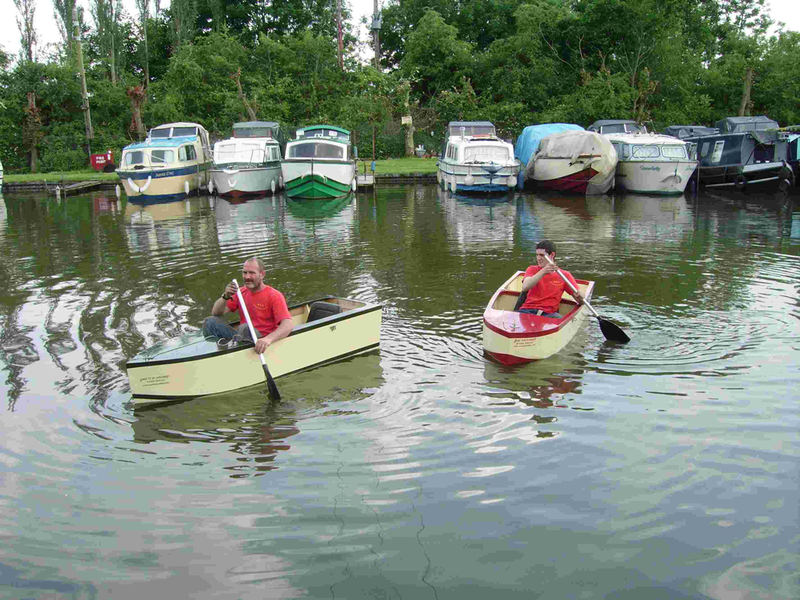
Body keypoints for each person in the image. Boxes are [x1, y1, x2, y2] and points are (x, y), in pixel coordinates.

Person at [202, 257, 293, 353]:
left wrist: (267, 339)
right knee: (210, 322)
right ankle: (224, 350)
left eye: (252, 273)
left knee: (245, 327)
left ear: (262, 274)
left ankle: (236, 351)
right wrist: (225, 296)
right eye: (245, 273)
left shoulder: (274, 295)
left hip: (261, 339)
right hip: (242, 336)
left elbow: (288, 325)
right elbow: (216, 313)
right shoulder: (240, 292)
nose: (247, 277)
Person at [518, 240, 584, 318]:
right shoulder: (532, 269)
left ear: (552, 255)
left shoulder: (564, 275)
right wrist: (543, 271)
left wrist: (581, 297)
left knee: (559, 318)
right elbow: (525, 287)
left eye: (542, 255)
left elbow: (580, 302)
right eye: (537, 255)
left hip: (549, 314)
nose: (538, 258)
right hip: (527, 311)